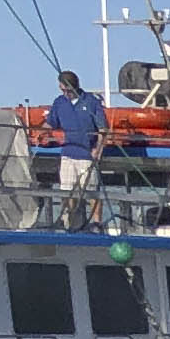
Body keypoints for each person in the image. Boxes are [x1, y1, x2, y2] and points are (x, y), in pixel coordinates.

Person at [37, 68, 104, 227]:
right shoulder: (59, 102)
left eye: (68, 90)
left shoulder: (91, 102)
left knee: (91, 191)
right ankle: (69, 220)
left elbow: (103, 129)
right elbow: (51, 122)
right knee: (67, 190)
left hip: (86, 154)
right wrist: (40, 132)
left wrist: (98, 150)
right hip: (68, 152)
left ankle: (97, 223)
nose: (66, 93)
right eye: (63, 90)